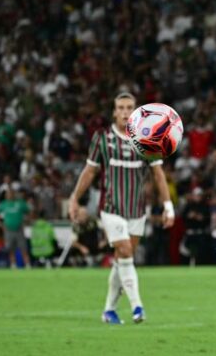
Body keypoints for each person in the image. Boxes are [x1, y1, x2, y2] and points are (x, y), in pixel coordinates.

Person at [68, 92, 174, 325]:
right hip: (111, 208)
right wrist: (75, 198)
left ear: (136, 111)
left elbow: (158, 174)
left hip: (137, 210)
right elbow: (89, 171)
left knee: (122, 259)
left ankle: (109, 310)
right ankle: (138, 307)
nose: (125, 112)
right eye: (121, 108)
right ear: (114, 111)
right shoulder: (102, 138)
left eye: (129, 107)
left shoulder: (148, 138)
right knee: (125, 251)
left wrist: (168, 206)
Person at [0, 187, 32, 269]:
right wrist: (1, 225)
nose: (9, 195)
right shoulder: (3, 204)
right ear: (5, 196)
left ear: (14, 194)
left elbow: (29, 212)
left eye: (11, 193)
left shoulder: (20, 203)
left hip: (19, 229)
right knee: (10, 248)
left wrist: (26, 221)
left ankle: (27, 264)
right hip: (8, 230)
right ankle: (13, 265)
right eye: (8, 194)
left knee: (23, 247)